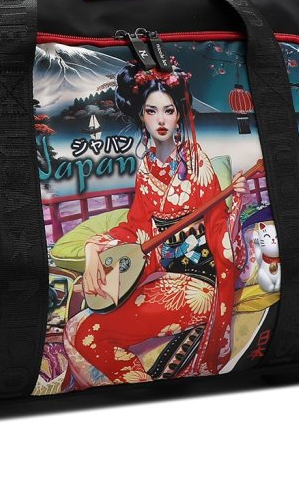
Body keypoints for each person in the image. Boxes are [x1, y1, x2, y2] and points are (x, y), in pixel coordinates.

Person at [68, 60, 247, 384]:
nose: (161, 120)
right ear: (141, 115)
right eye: (152, 111)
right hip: (165, 276)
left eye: (169, 110)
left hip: (201, 282)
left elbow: (218, 229)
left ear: (179, 114)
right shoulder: (146, 171)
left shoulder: (199, 164)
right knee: (80, 325)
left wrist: (223, 299)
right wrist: (95, 248)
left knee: (90, 334)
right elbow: (137, 229)